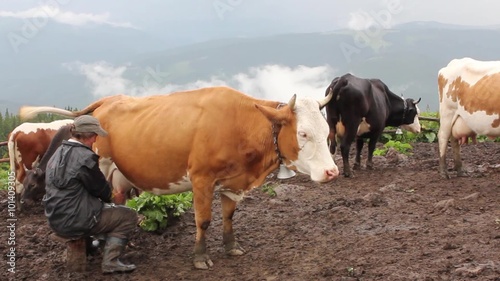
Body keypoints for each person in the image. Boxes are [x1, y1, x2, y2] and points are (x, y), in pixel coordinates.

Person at [44, 115, 138, 273]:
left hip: (54, 217)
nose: (95, 139)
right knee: (127, 216)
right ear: (90, 135)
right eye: (95, 135)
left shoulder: (58, 153)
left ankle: (97, 244)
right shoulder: (85, 158)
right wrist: (114, 197)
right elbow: (102, 191)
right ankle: (111, 262)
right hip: (75, 221)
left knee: (96, 207)